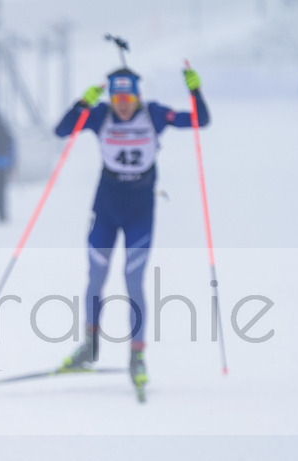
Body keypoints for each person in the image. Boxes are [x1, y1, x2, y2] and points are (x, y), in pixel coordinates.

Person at [55, 66, 210, 391]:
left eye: (128, 99)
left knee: (133, 280)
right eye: (117, 99)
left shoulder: (154, 114)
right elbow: (61, 130)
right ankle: (89, 348)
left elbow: (199, 120)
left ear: (138, 96)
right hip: (106, 208)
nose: (123, 105)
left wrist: (195, 92)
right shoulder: (100, 115)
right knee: (96, 275)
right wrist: (82, 103)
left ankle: (137, 356)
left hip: (140, 210)